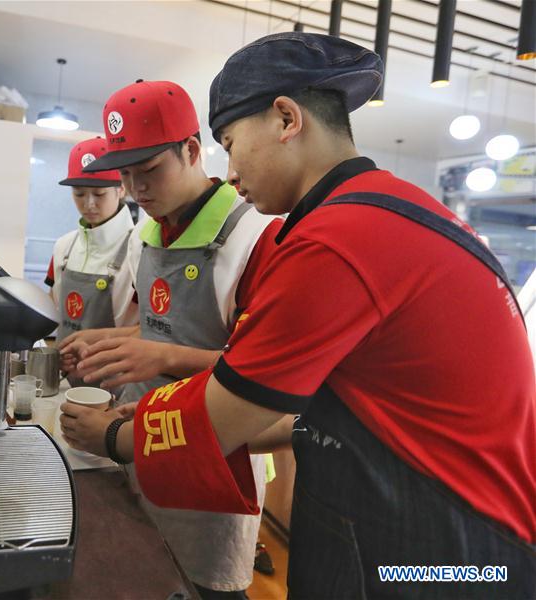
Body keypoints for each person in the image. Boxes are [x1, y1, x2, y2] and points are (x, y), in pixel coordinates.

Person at [60, 33, 536, 599]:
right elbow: (319, 407)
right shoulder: (392, 210)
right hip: (459, 532)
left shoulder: (336, 240)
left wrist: (114, 434)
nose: (231, 171)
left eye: (232, 143)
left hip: (439, 553)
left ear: (285, 118)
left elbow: (226, 413)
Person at [64, 80, 283, 599]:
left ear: (192, 150)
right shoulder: (149, 232)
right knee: (146, 571)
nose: (137, 189)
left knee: (207, 584)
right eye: (127, 174)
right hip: (145, 431)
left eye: (150, 170)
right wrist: (106, 342)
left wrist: (159, 354)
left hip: (218, 451)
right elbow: (155, 325)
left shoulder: (257, 237)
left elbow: (267, 377)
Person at [47, 136, 137, 383]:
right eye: (79, 194)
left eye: (99, 193)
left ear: (122, 189)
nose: (89, 204)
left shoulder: (140, 247)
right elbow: (53, 307)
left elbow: (152, 331)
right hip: (66, 381)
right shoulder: (63, 247)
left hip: (119, 384)